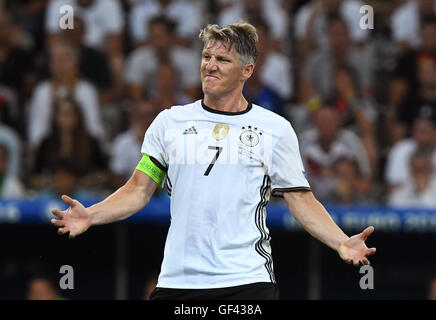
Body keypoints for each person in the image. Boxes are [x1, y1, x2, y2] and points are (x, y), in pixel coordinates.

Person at [51, 22, 376, 300]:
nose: (210, 65)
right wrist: (91, 215)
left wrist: (340, 241)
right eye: (207, 57)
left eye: (222, 59)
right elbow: (138, 189)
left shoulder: (274, 130)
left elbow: (301, 200)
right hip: (178, 280)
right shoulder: (169, 123)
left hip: (246, 281)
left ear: (247, 70)